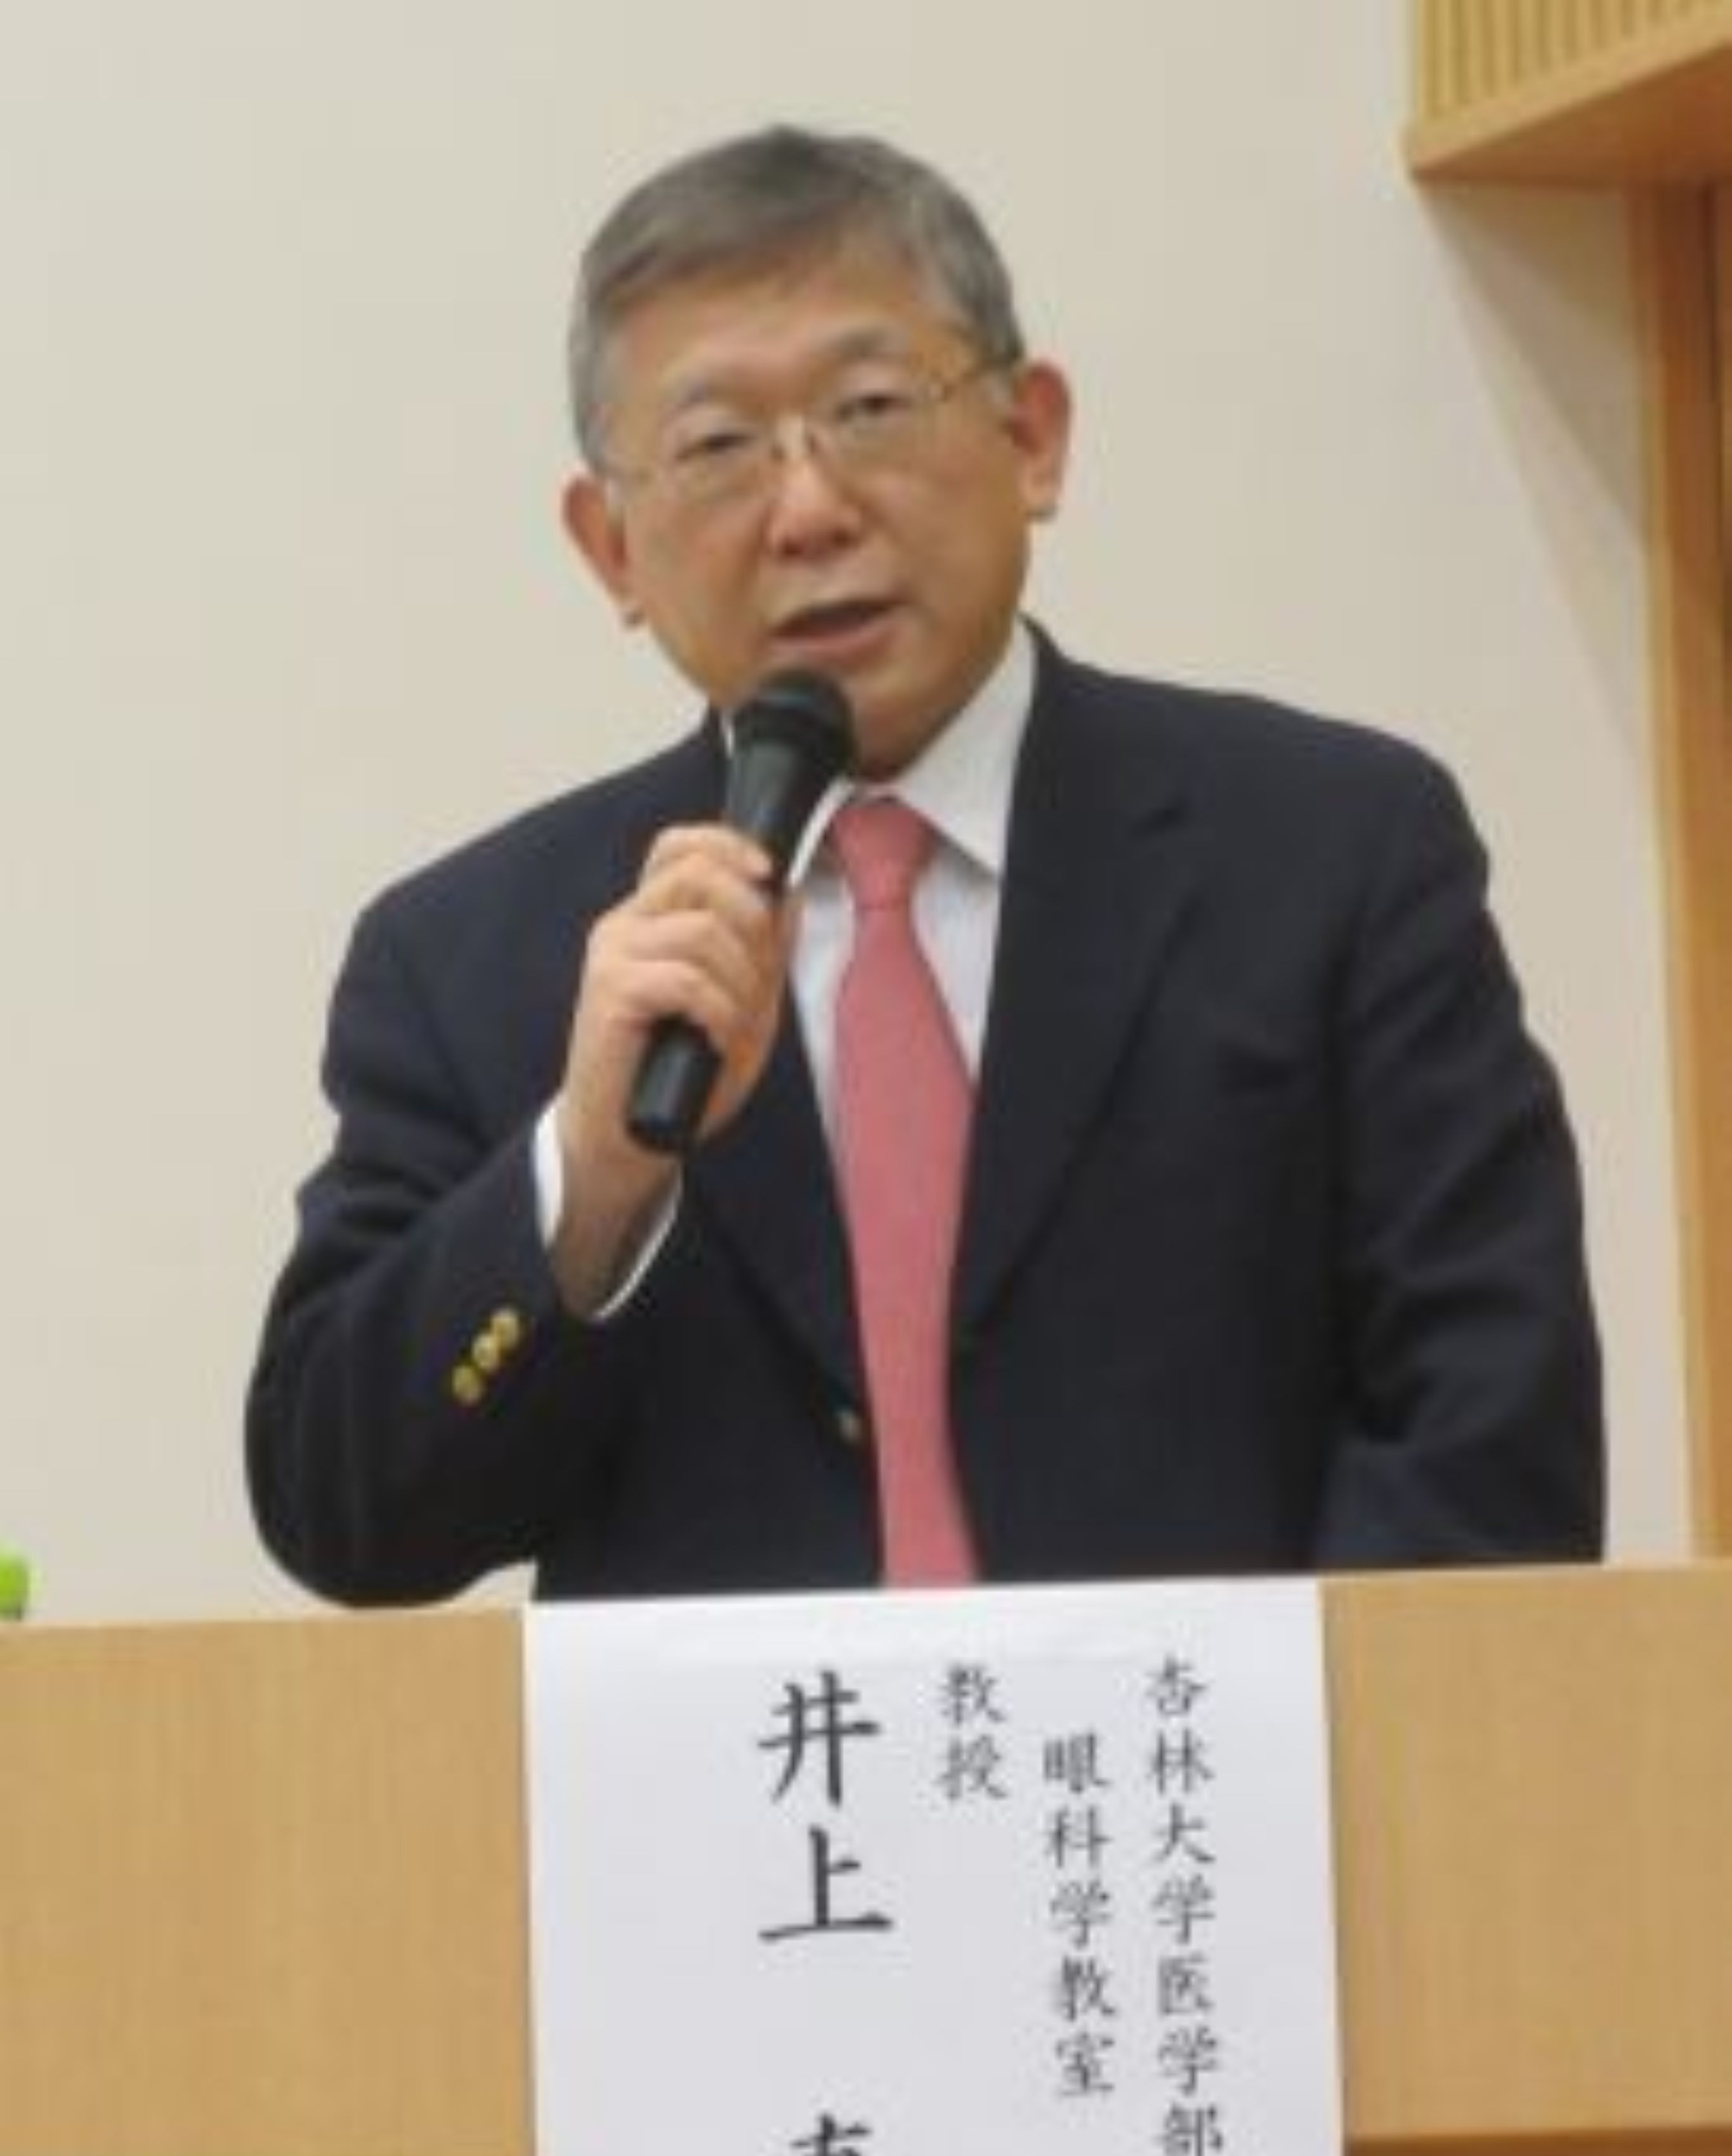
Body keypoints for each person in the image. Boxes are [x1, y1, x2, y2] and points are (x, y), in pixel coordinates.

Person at [246, 124, 1604, 1606]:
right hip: (758, 1769)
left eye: (872, 408)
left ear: (1033, 438)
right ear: (611, 549)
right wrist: (591, 1172)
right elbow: (344, 1512)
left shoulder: (1335, 852)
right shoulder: (473, 955)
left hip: (1202, 1760)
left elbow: (1491, 1439)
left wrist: (1289, 1743)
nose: (810, 510)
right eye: (717, 448)